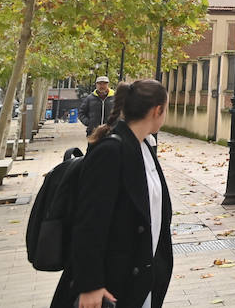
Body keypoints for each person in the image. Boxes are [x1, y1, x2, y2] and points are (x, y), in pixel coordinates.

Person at [51, 80, 173, 308]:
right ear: (158, 110)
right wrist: (89, 285)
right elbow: (88, 222)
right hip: (109, 287)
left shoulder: (144, 146)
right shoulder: (110, 151)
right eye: (166, 108)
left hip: (140, 279)